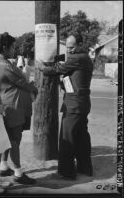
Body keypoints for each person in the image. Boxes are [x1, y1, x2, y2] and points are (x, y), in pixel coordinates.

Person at [38, 34, 93, 180]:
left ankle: (67, 173)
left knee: (66, 139)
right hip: (82, 104)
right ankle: (85, 168)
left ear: (81, 44)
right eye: (67, 47)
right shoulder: (86, 57)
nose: (68, 50)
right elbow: (74, 79)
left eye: (72, 47)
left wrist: (43, 67)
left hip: (74, 106)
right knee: (81, 138)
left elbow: (57, 70)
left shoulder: (76, 58)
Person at [0, 32, 38, 184]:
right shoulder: (4, 66)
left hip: (9, 106)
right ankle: (18, 173)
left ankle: (4, 167)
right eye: (12, 47)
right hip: (11, 108)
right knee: (14, 140)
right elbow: (23, 81)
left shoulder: (2, 62)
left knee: (8, 138)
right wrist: (34, 86)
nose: (14, 49)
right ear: (5, 48)